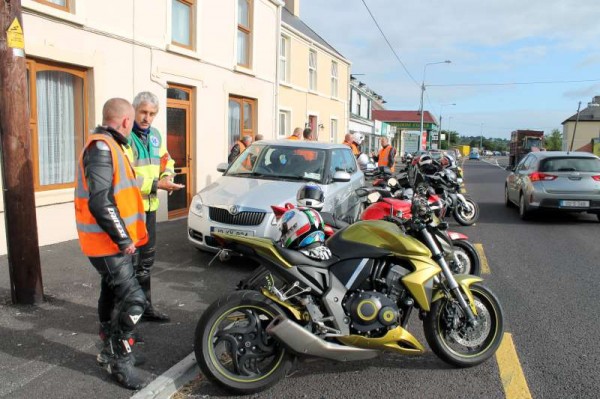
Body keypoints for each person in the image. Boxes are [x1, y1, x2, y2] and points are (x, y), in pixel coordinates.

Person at [74, 98, 149, 389]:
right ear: (126, 121)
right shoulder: (103, 147)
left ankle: (109, 348)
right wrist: (123, 238)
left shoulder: (110, 146)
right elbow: (100, 201)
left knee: (111, 291)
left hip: (110, 242)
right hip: (107, 243)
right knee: (134, 300)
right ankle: (119, 359)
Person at [126, 91, 183, 323]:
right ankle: (129, 319)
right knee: (129, 265)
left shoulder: (156, 135)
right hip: (131, 211)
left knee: (146, 262)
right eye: (143, 112)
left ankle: (145, 308)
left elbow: (166, 159)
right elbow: (126, 178)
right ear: (134, 110)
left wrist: (168, 174)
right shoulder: (126, 137)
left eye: (151, 114)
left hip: (149, 210)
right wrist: (156, 184)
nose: (147, 118)